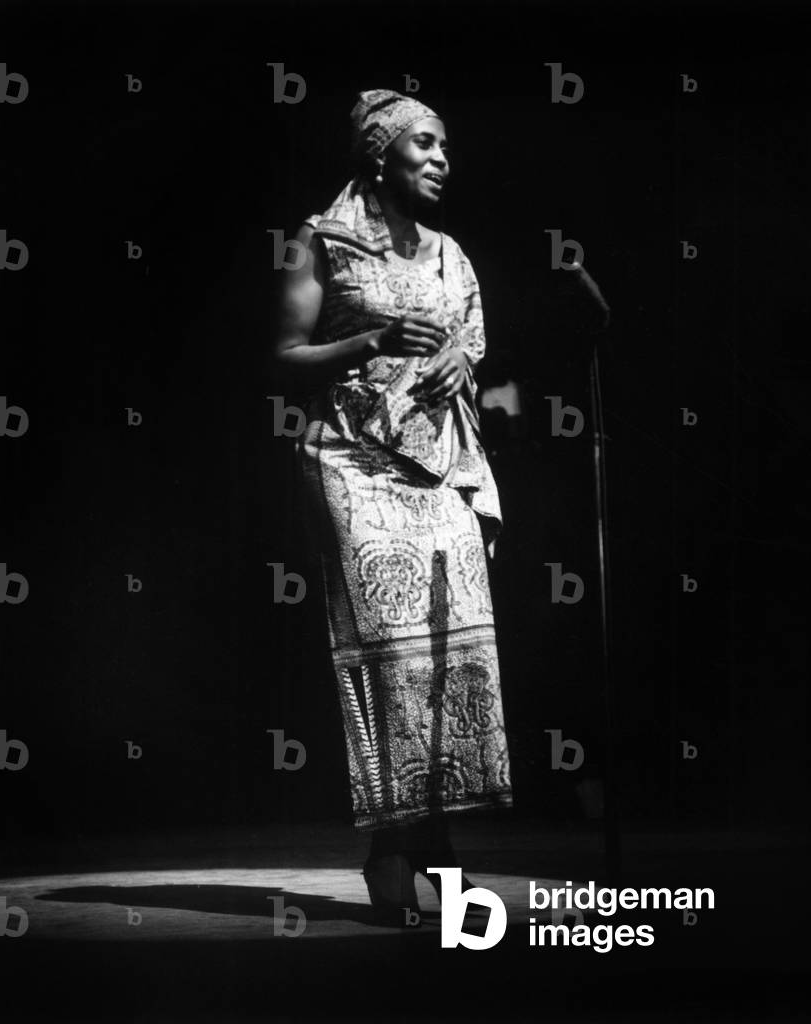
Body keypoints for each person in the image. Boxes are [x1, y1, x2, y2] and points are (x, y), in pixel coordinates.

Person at [276, 89, 513, 926]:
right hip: (354, 462)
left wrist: (458, 369)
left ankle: (434, 848)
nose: (442, 158)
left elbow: (472, 350)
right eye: (424, 144)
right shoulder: (320, 242)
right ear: (380, 156)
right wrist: (371, 341)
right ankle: (394, 850)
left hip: (442, 466)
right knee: (391, 658)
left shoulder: (451, 255)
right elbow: (285, 355)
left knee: (454, 656)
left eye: (446, 146)